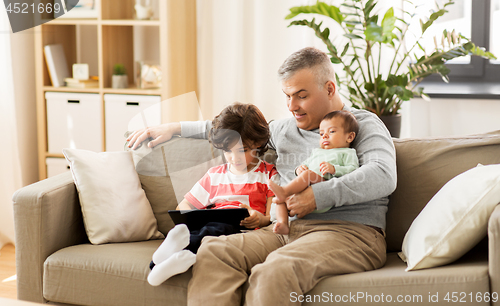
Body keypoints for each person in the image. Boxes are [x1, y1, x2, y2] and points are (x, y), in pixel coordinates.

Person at [127, 47, 397, 306]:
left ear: (329, 88)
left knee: (274, 271)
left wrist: (317, 196)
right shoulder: (283, 130)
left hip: (350, 233)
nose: (292, 106)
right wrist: (175, 127)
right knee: (214, 251)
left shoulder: (362, 124)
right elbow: (236, 130)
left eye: (301, 96)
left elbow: (382, 175)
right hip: (286, 230)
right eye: (287, 96)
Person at [146, 102, 278, 287]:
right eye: (228, 151)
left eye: (243, 150)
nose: (235, 158)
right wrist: (194, 217)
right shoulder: (215, 175)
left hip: (241, 231)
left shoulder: (268, 174)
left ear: (258, 143)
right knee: (202, 230)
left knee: (215, 230)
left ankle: (175, 257)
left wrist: (259, 219)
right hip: (209, 225)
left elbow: (272, 216)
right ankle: (166, 262)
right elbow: (183, 207)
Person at [269, 110, 359, 235]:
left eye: (331, 131)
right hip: (306, 188)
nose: (325, 136)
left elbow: (353, 170)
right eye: (322, 134)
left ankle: (284, 191)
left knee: (307, 175)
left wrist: (335, 169)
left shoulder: (347, 152)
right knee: (279, 201)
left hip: (324, 186)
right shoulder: (317, 152)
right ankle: (283, 224)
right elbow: (305, 164)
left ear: (349, 137)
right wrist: (299, 169)